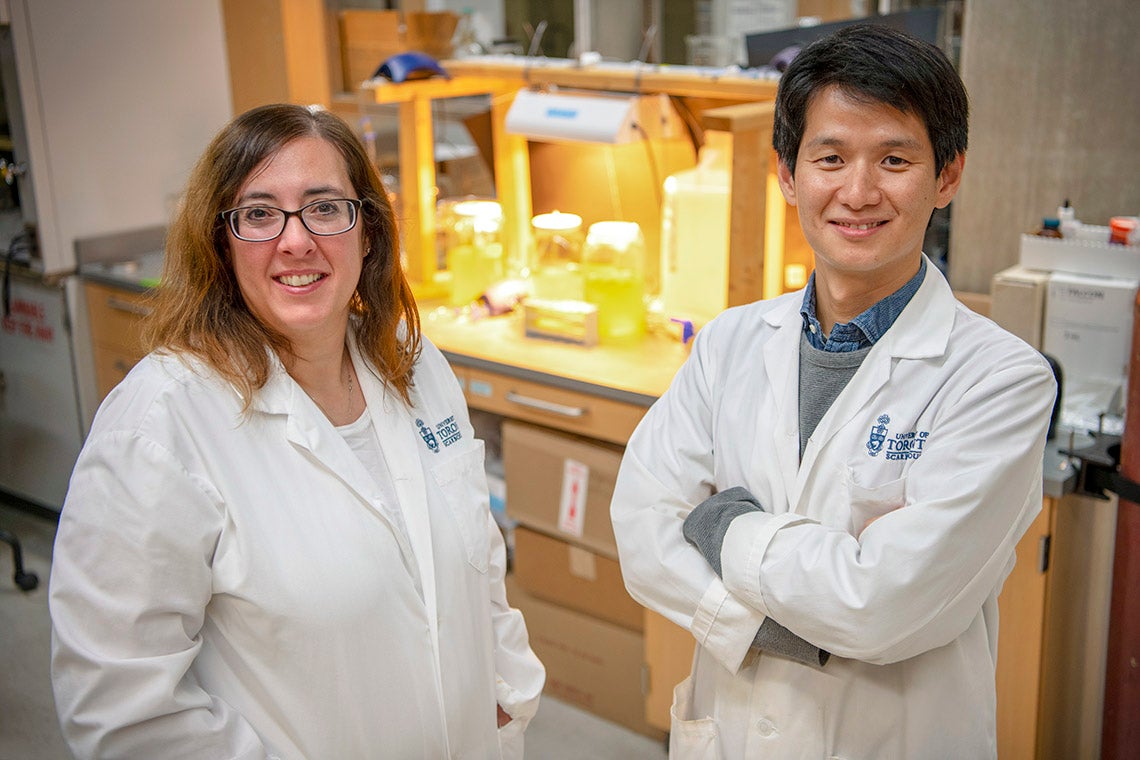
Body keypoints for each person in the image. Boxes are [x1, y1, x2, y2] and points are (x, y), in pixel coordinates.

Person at [611, 24, 1056, 759]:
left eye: (894, 158)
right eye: (830, 157)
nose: (857, 191)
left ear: (947, 176)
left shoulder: (1001, 381)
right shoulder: (730, 343)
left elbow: (883, 605)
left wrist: (722, 525)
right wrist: (782, 624)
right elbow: (642, 529)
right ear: (788, 174)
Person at [49, 103, 544, 759]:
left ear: (367, 229)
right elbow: (120, 711)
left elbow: (475, 556)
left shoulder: (413, 363)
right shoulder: (161, 423)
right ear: (221, 243)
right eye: (259, 214)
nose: (296, 240)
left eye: (324, 207)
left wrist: (505, 699)